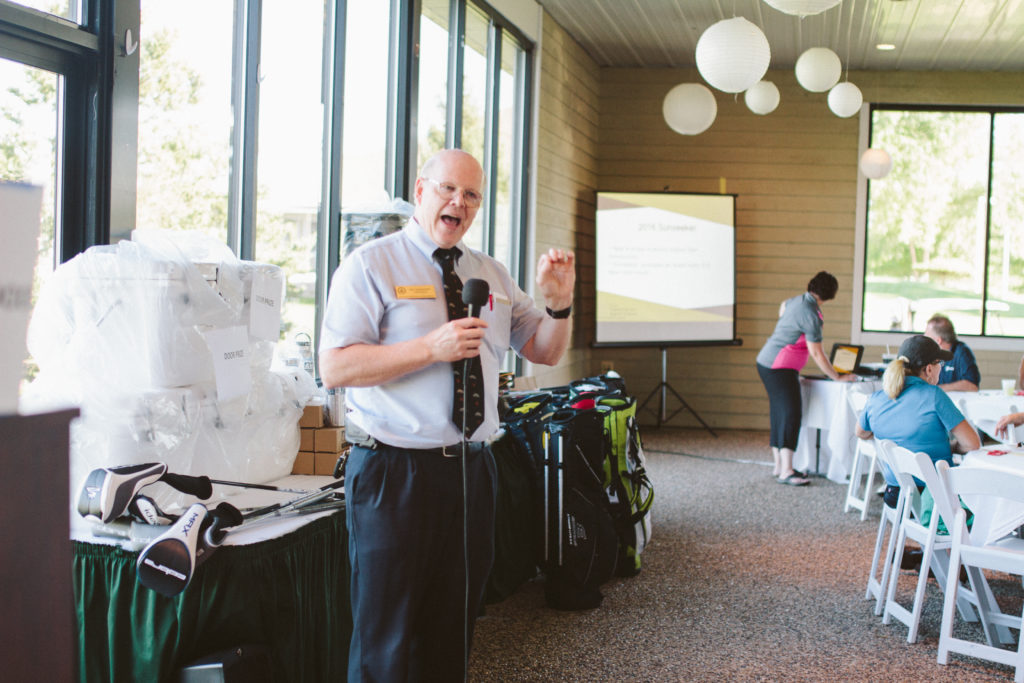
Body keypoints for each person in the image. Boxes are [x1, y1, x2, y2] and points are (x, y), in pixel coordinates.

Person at [318, 148, 575, 682]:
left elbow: (546, 351)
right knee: (385, 635)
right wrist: (429, 349)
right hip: (394, 473)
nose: (458, 202)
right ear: (420, 190)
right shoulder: (372, 264)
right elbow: (335, 368)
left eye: (472, 194)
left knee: (454, 626)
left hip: (471, 470)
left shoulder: (491, 276)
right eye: (447, 189)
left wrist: (559, 306)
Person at [855, 335, 980, 511]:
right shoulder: (935, 396)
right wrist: (949, 447)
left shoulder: (876, 399)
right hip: (934, 499)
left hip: (895, 495)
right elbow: (972, 444)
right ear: (929, 369)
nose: (940, 369)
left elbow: (860, 432)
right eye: (940, 364)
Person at [755, 271, 855, 486]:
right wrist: (837, 377)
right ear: (830, 294)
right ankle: (787, 471)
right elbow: (817, 353)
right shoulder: (811, 314)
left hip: (768, 363)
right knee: (791, 414)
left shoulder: (796, 301)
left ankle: (779, 466)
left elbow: (782, 309)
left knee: (779, 412)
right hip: (779, 367)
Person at [924, 314, 980, 392]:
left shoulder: (962, 352)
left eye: (927, 336)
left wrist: (940, 388)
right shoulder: (928, 354)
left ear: (938, 340)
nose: (924, 339)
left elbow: (973, 386)